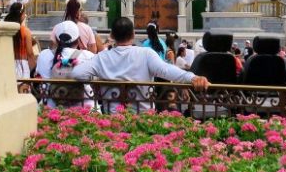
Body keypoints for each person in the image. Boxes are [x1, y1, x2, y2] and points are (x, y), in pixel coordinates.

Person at [71, 17, 209, 111]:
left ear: (112, 35)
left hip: (113, 120)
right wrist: (192, 78)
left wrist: (100, 79)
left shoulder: (101, 58)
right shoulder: (145, 54)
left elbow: (77, 73)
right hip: (143, 117)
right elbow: (166, 70)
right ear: (133, 34)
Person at [35, 21, 96, 108]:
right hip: (84, 108)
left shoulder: (44, 55)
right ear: (78, 39)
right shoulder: (88, 56)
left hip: (50, 106)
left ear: (56, 39)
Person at [4, 2, 35, 79]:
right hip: (22, 66)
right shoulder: (25, 31)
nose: (25, 15)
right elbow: (30, 53)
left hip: (7, 64)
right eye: (24, 13)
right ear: (21, 15)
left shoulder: (5, 29)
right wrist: (34, 68)